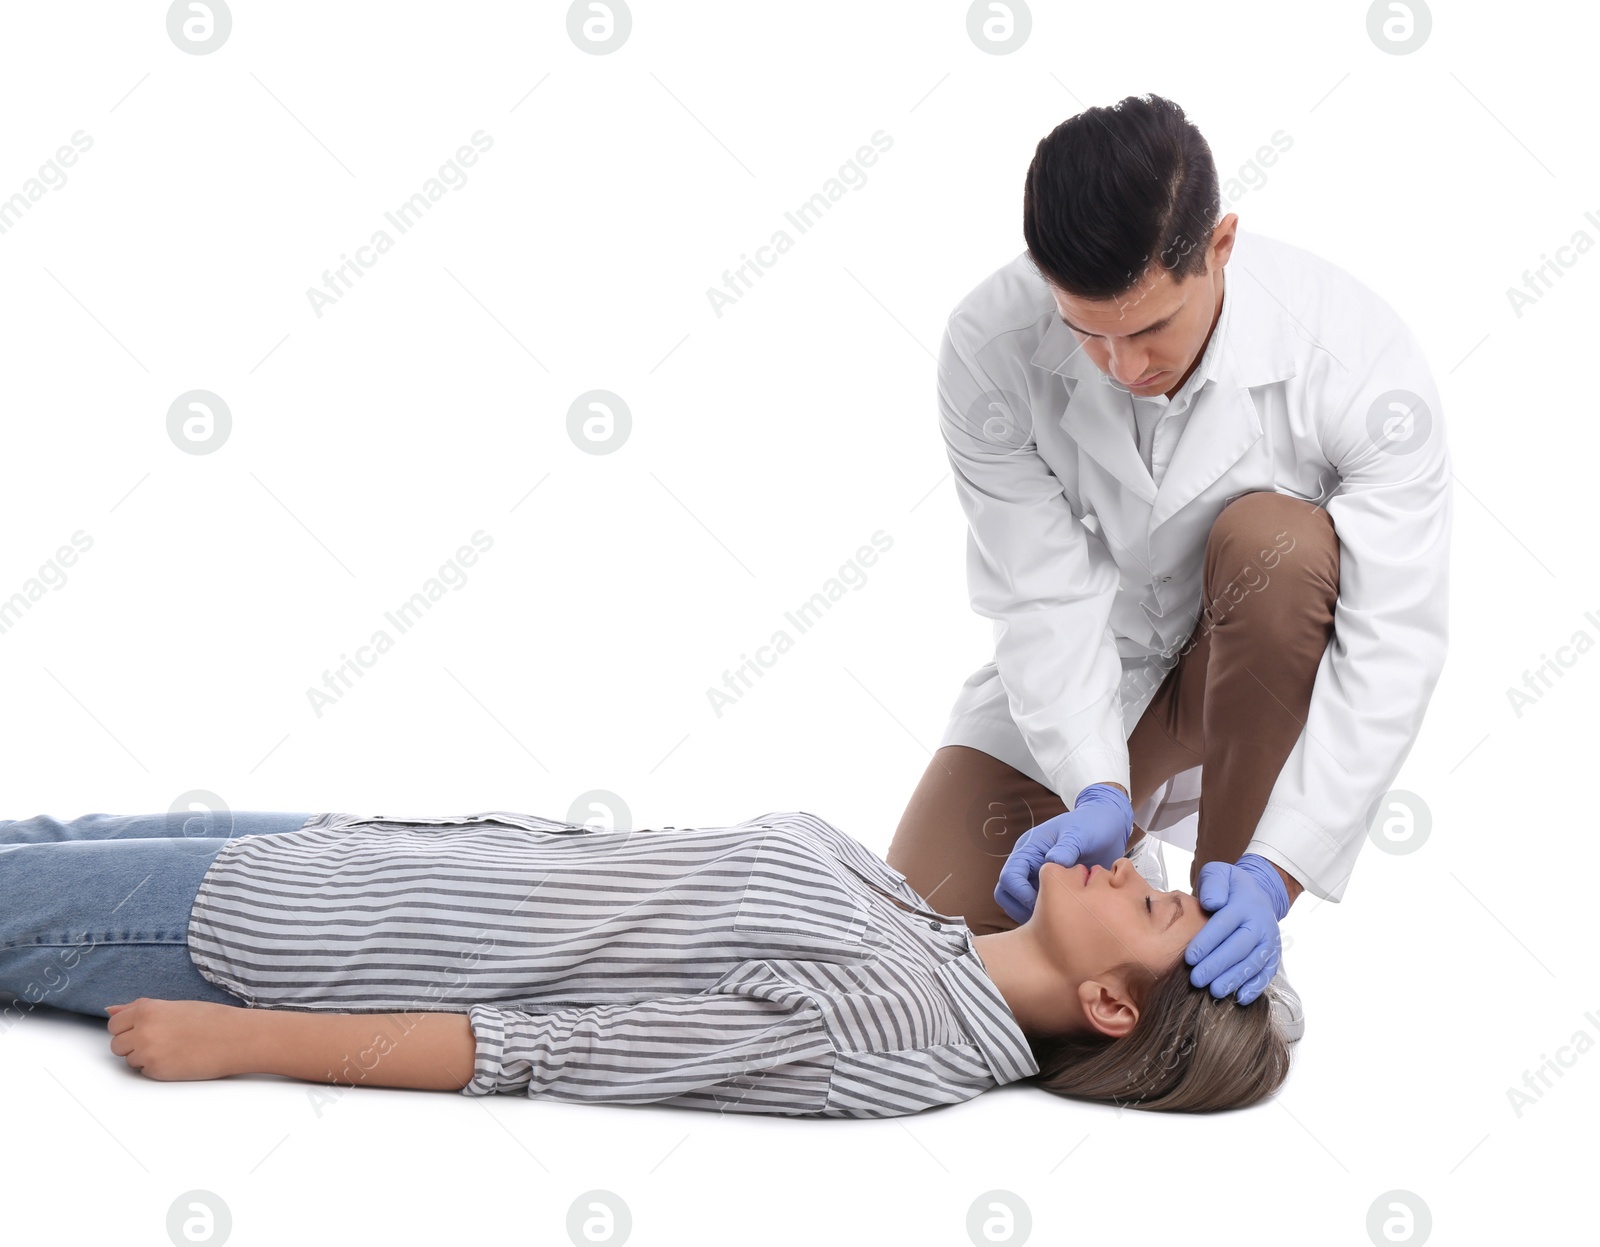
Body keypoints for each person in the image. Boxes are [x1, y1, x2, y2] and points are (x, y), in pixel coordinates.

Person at [889, 93, 1452, 1040]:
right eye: (1086, 331)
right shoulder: (987, 347)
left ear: (1221, 246)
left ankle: (1212, 951)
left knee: (1279, 543)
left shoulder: (1356, 361)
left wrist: (1282, 867)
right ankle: (1133, 867)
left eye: (1151, 327)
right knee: (923, 935)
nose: (1119, 365)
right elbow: (1041, 592)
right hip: (1094, 671)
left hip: (1253, 669)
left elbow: (1392, 641)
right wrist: (1096, 786)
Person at [0, 807, 1289, 1116]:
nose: (1135, 862)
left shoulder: (895, 1030)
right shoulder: (929, 938)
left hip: (286, 940)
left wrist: (240, 1043)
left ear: (1111, 1002)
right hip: (347, 856)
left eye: (1157, 908)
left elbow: (554, 1051)